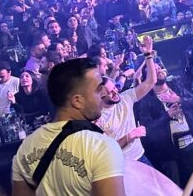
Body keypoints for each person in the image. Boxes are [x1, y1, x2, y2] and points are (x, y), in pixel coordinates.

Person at [11, 58, 125, 196]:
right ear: (77, 101)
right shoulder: (101, 147)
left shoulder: (25, 148)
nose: (103, 95)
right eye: (98, 90)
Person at [135, 64, 193, 186]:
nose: (158, 71)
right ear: (148, 78)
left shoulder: (175, 86)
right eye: (154, 70)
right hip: (167, 151)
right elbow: (147, 129)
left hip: (190, 141)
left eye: (159, 68)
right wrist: (167, 115)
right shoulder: (147, 99)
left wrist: (179, 100)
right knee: (174, 186)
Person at [95, 35, 157, 164]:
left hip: (141, 157)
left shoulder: (126, 98)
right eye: (110, 92)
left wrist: (148, 55)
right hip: (122, 165)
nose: (115, 92)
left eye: (115, 88)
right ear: (100, 96)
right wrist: (130, 136)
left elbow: (151, 81)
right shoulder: (97, 117)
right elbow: (108, 151)